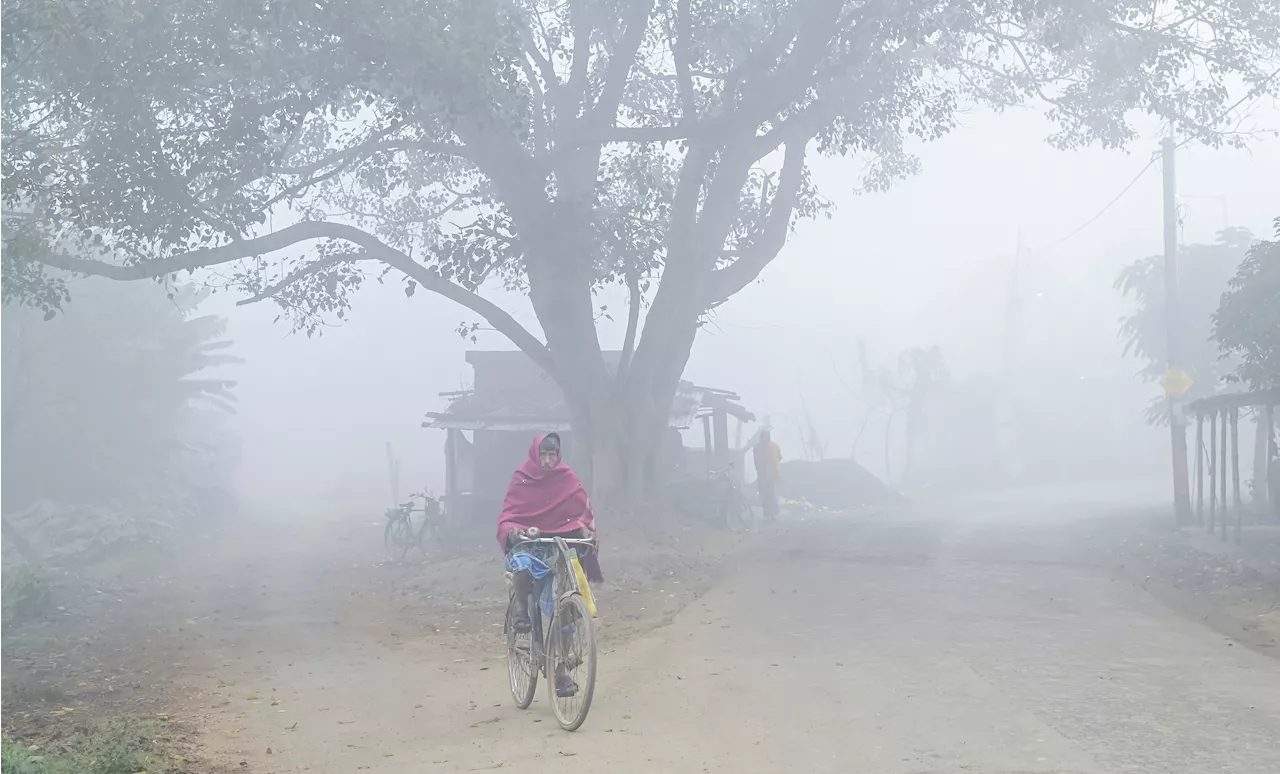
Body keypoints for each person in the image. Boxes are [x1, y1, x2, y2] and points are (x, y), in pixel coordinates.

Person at [496, 432, 602, 631]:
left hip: (559, 547)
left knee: (565, 602)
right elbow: (508, 516)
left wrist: (586, 531)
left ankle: (565, 653)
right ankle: (521, 608)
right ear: (535, 454)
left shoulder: (567, 478)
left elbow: (581, 513)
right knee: (522, 564)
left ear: (558, 454)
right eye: (543, 455)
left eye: (552, 455)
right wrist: (513, 530)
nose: (547, 461)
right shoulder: (522, 478)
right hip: (529, 545)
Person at [752, 429, 782, 521]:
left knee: (768, 495)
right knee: (768, 495)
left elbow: (778, 458)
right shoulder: (771, 446)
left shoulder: (758, 447)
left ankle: (770, 514)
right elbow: (779, 458)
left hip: (767, 475)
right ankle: (770, 514)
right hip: (766, 475)